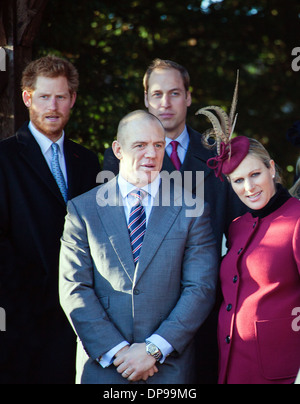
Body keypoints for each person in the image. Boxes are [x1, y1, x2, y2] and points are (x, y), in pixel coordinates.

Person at [103, 60, 246, 383]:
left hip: (209, 304)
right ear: (146, 99)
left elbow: (239, 224)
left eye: (174, 93)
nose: (165, 103)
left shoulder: (218, 153)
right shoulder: (121, 157)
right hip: (145, 313)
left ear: (189, 97)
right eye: (157, 94)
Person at [59, 110, 218, 384]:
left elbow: (200, 287)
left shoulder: (192, 208)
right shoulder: (82, 210)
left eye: (158, 145)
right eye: (140, 145)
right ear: (118, 149)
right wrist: (119, 352)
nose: (151, 154)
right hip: (104, 367)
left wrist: (155, 349)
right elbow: (73, 287)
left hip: (168, 370)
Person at [0, 55, 100, 384]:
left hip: (76, 316)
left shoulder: (86, 160)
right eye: (44, 96)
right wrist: (20, 304)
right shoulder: (5, 158)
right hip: (19, 319)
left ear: (72, 99)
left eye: (60, 96)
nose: (52, 106)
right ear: (28, 98)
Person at [198, 102, 300, 384]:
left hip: (280, 371)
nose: (249, 188)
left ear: (271, 168)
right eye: (238, 180)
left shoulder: (297, 219)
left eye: (255, 174)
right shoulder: (236, 228)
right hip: (231, 367)